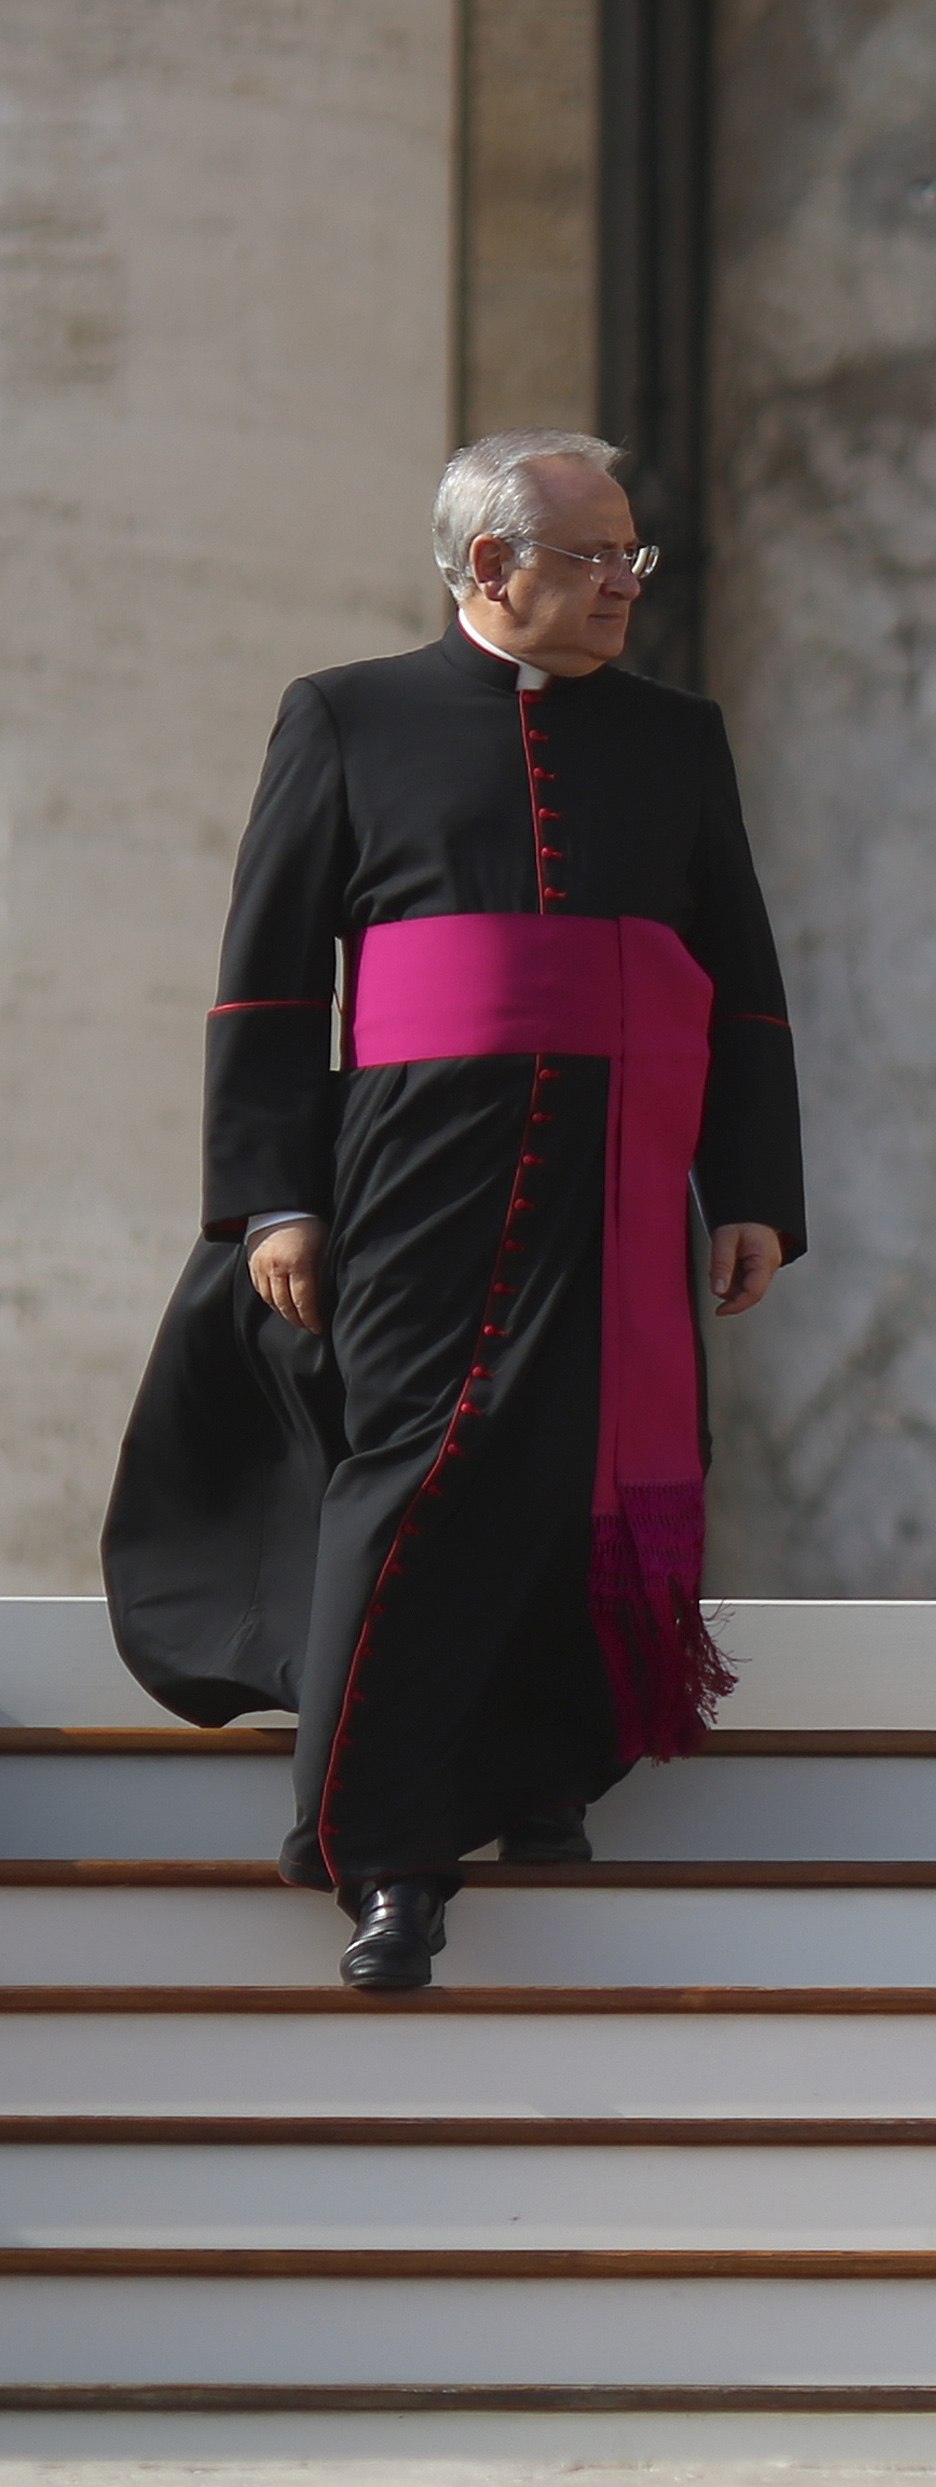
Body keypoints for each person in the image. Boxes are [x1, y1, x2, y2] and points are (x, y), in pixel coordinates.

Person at [102, 430, 806, 1991]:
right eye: (592, 557)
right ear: (489, 566)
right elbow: (271, 985)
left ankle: (544, 1782)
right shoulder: (348, 717)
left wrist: (750, 1191)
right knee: (413, 1469)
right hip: (416, 1162)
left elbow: (741, 986)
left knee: (577, 1472)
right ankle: (381, 1853)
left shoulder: (679, 737)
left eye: (635, 557)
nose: (625, 582)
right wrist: (271, 1201)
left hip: (622, 1167)